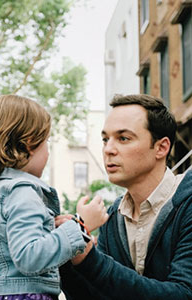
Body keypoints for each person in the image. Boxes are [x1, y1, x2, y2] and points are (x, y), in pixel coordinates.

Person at [0, 94, 109, 300]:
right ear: (28, 144)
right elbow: (29, 256)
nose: (48, 152)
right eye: (46, 142)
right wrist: (82, 226)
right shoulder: (23, 192)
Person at [58, 94, 192, 299]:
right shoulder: (112, 218)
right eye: (105, 139)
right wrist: (69, 257)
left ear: (161, 147)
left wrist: (91, 260)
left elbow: (184, 293)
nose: (109, 149)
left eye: (123, 138)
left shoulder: (187, 204)